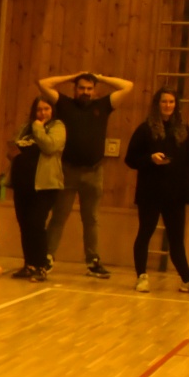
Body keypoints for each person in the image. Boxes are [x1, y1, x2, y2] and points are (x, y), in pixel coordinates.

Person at [39, 70, 134, 278]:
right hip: (67, 171)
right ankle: (46, 258)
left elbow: (128, 86)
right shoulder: (64, 104)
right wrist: (72, 76)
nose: (85, 92)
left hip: (94, 172)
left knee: (91, 218)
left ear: (94, 90)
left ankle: (93, 261)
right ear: (75, 89)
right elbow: (43, 83)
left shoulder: (103, 105)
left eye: (89, 88)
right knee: (59, 216)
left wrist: (101, 78)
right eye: (81, 88)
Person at [125, 89, 189, 296]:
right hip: (150, 192)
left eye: (171, 102)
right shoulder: (145, 129)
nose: (168, 105)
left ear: (176, 105)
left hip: (175, 194)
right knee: (145, 233)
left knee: (176, 239)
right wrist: (149, 159)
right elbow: (130, 159)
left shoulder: (183, 130)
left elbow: (187, 165)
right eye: (164, 102)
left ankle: (187, 280)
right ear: (157, 104)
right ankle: (142, 276)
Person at [8, 96, 64, 281]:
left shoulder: (57, 127)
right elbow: (14, 147)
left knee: (36, 223)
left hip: (44, 186)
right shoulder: (26, 127)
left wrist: (38, 128)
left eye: (46, 109)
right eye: (39, 110)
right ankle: (29, 264)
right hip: (22, 184)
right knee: (24, 225)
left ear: (52, 110)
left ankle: (41, 266)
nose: (42, 113)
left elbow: (50, 146)